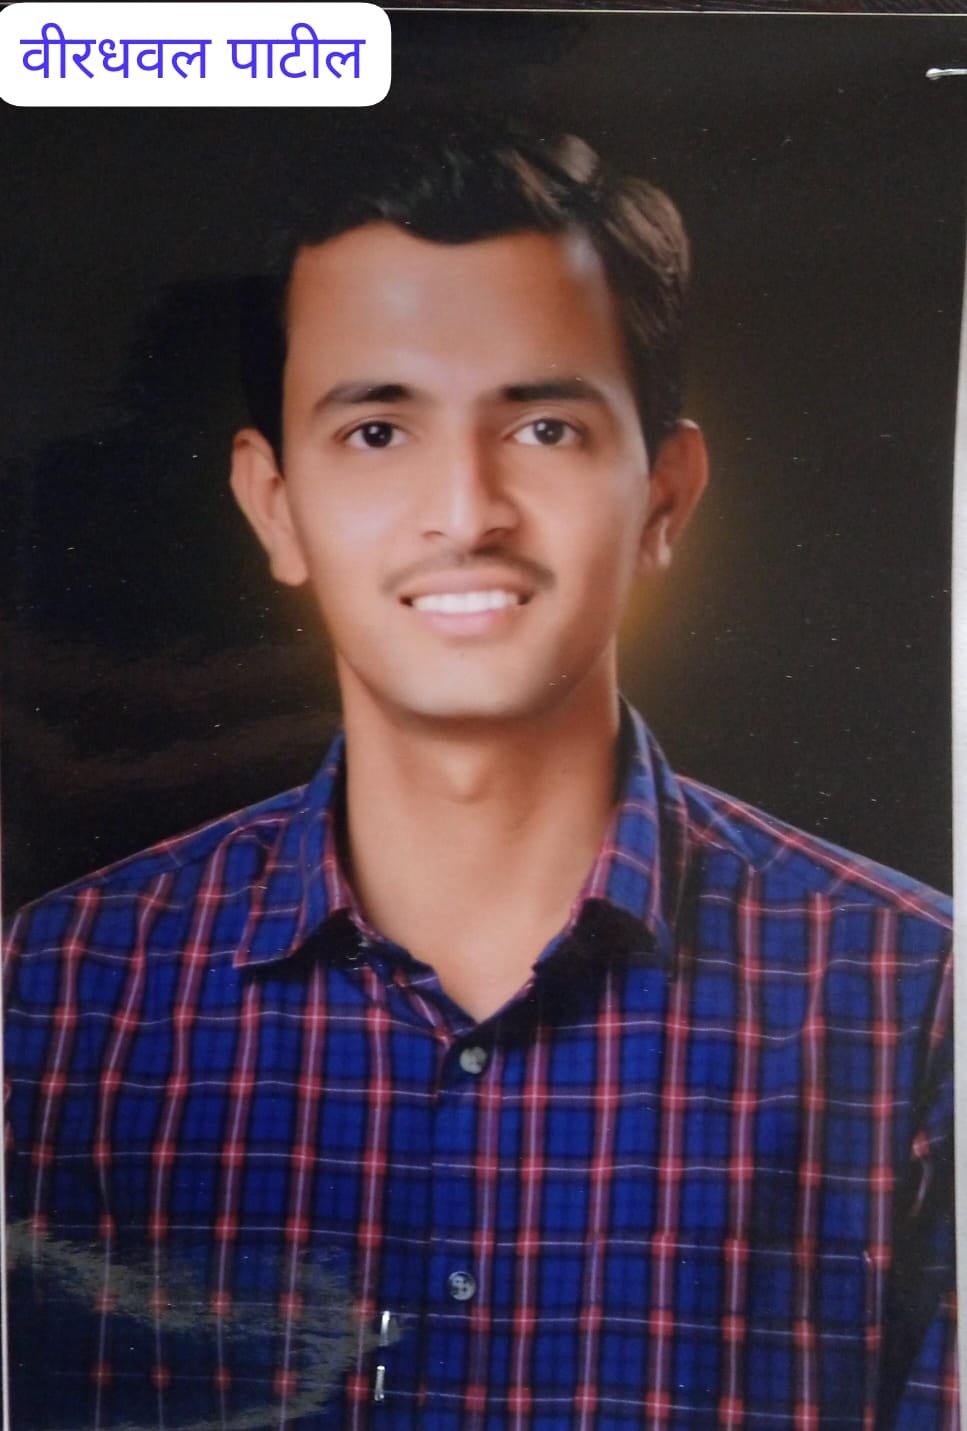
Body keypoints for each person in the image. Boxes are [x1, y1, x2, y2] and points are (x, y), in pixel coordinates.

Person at [4, 120, 955, 1431]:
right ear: (275, 505)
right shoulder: (52, 994)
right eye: (377, 430)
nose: (466, 510)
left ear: (665, 497)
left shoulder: (921, 1003)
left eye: (546, 426)